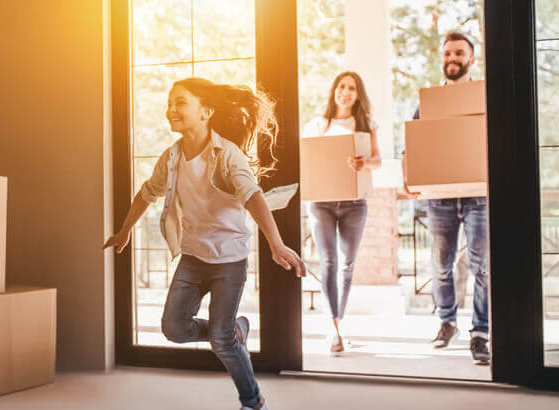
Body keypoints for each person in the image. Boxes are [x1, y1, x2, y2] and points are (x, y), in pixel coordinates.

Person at [103, 77, 305, 410]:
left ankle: (253, 403)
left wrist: (276, 244)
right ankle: (233, 329)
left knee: (221, 343)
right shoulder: (170, 158)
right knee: (174, 328)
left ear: (206, 111)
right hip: (194, 256)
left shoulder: (228, 154)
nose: (171, 110)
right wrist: (125, 230)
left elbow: (253, 197)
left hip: (229, 259)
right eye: (170, 103)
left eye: (180, 102)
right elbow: (146, 193)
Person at [402, 31, 490, 365]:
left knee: (483, 267)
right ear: (442, 59)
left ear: (472, 58)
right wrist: (409, 178)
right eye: (448, 53)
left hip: (478, 195)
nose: (452, 58)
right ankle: (447, 322)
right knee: (440, 265)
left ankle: (481, 332)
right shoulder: (428, 103)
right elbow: (412, 145)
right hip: (439, 198)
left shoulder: (483, 98)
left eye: (459, 53)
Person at [302, 71, 382, 354]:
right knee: (329, 263)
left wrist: (365, 163)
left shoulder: (366, 124)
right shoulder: (317, 125)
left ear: (358, 94)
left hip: (353, 203)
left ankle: (338, 322)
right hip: (321, 203)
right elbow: (306, 159)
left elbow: (377, 160)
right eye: (341, 86)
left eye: (351, 88)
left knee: (347, 265)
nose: (345, 92)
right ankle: (332, 327)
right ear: (334, 91)